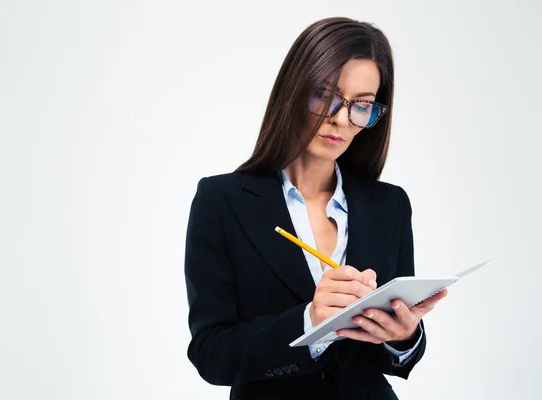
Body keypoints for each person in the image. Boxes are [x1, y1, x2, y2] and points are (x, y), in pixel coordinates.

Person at [183, 16, 447, 400]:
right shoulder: (222, 201)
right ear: (294, 90)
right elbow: (211, 354)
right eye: (325, 95)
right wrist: (310, 320)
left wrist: (404, 337)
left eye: (362, 105)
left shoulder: (389, 205)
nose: (340, 118)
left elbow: (396, 358)